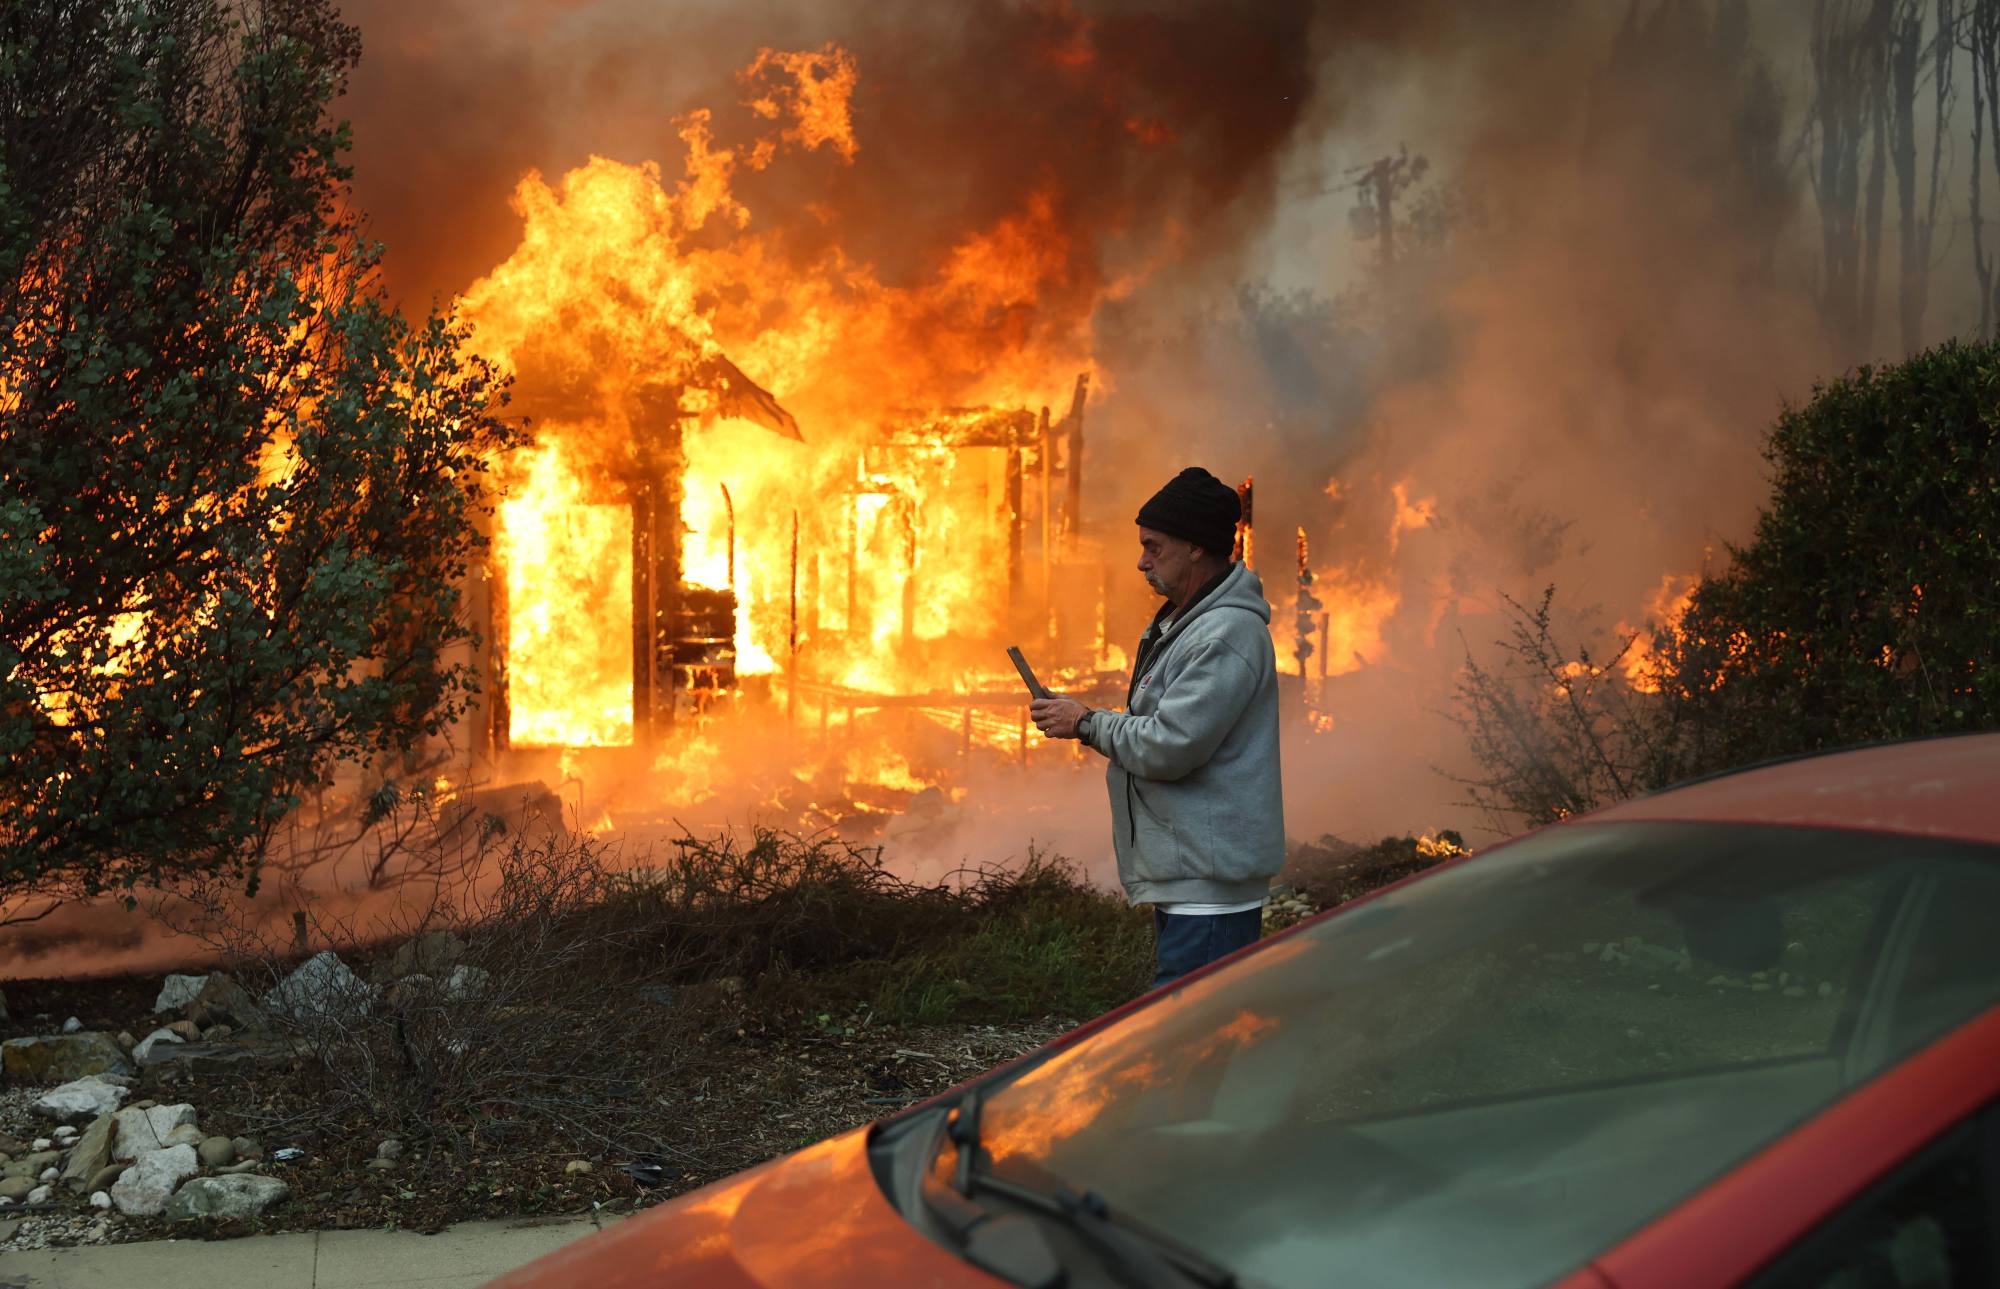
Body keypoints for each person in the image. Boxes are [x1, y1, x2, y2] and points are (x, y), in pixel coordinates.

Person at [1032, 466, 1284, 989]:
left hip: (1207, 886)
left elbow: (1170, 745)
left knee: (1193, 1041)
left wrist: (1085, 722)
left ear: (1195, 547)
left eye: (1153, 546)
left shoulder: (1225, 634)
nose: (1141, 561)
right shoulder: (1186, 623)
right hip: (1191, 872)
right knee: (1193, 1039)